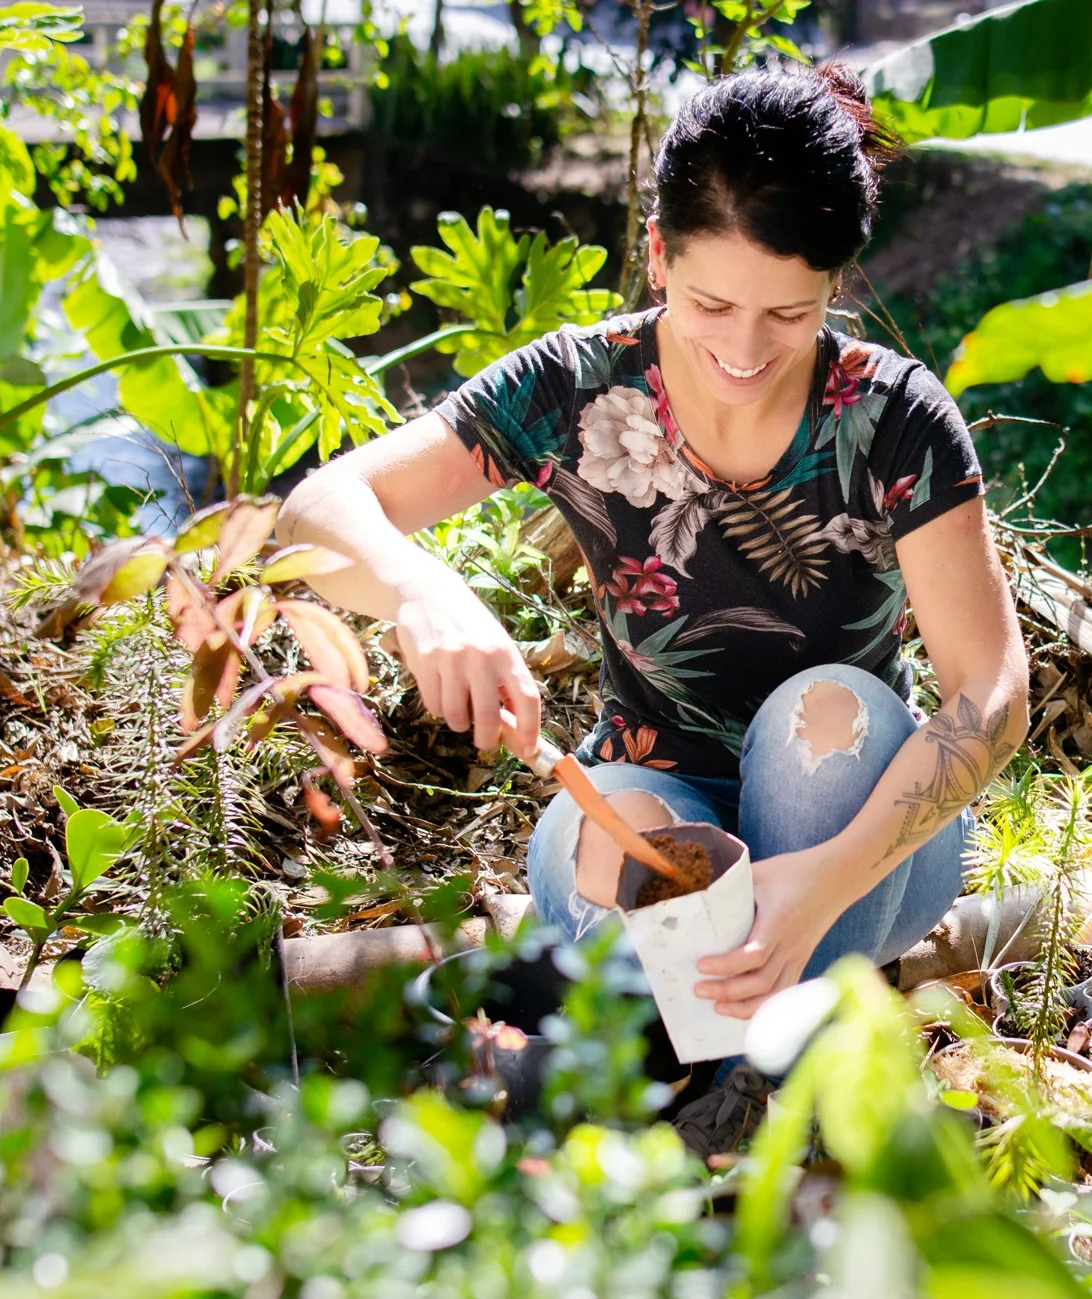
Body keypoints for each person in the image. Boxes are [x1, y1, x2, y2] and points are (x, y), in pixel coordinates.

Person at [277, 64, 1027, 1030]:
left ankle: (720, 1059)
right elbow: (316, 510)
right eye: (712, 305)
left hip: (860, 831)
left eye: (790, 314)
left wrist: (824, 881)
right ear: (659, 255)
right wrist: (423, 592)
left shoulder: (894, 418)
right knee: (618, 852)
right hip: (650, 788)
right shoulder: (581, 386)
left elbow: (992, 690)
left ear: (836, 284)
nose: (747, 350)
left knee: (823, 713)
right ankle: (748, 1075)